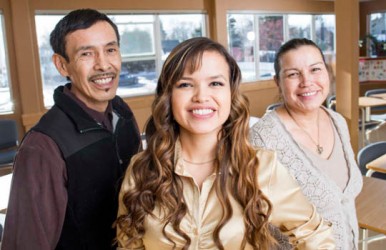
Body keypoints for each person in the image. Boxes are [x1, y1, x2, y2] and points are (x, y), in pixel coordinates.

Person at [115, 37, 335, 250]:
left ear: (231, 93)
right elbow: (129, 244)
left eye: (215, 83)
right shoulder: (142, 169)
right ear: (168, 96)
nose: (202, 96)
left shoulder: (261, 167)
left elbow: (314, 234)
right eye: (185, 84)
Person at [2, 9, 141, 250]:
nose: (104, 64)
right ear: (62, 65)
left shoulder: (122, 112)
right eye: (86, 53)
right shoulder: (43, 147)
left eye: (110, 49)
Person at [250, 38, 363, 250]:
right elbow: (254, 222)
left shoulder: (337, 121)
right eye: (293, 74)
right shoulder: (263, 138)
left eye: (315, 69)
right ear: (278, 82)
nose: (306, 81)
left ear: (327, 73)